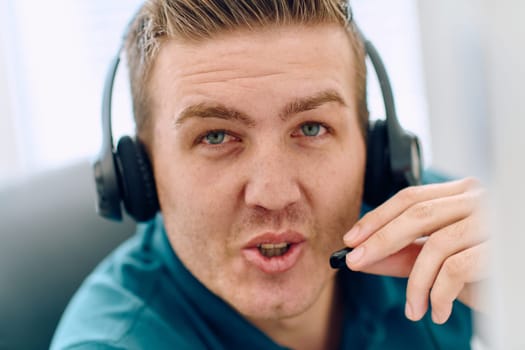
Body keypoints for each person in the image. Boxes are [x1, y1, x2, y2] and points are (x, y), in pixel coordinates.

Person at [51, 0, 488, 349]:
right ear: (140, 174)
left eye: (312, 128)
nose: (274, 194)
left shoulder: (441, 232)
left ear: (374, 152)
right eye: (217, 136)